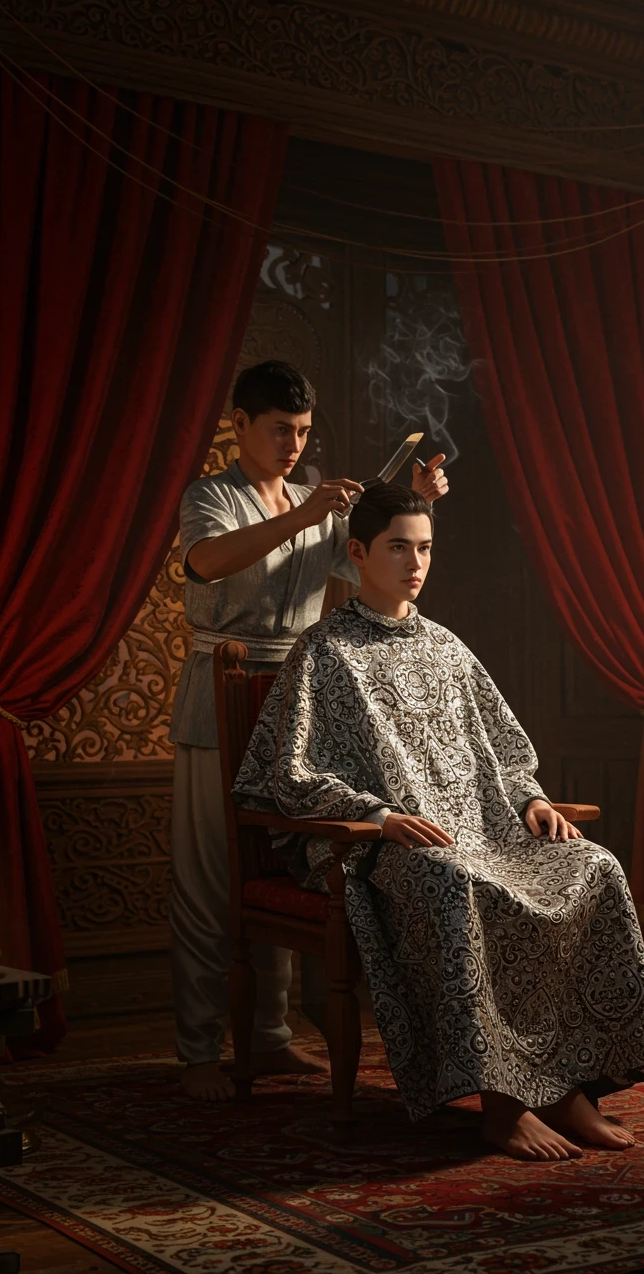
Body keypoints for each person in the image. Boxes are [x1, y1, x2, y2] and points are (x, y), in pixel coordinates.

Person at [232, 483, 644, 1159]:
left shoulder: (447, 647)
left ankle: (569, 1088)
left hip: (484, 833)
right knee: (457, 881)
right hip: (377, 852)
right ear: (358, 552)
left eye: (426, 547)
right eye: (399, 547)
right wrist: (378, 817)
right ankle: (503, 1105)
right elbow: (287, 774)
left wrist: (531, 801)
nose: (415, 562)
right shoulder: (323, 651)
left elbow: (505, 750)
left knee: (594, 866)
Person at [169, 361, 448, 1101]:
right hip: (219, 688)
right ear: (240, 424)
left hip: (296, 688)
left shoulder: (313, 498)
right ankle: (200, 1051)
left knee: (290, 856)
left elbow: (367, 575)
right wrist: (304, 515)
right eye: (278, 430)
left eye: (301, 432)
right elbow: (205, 562)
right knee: (211, 877)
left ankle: (269, 1040)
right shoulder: (212, 496)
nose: (293, 445)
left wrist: (410, 504)